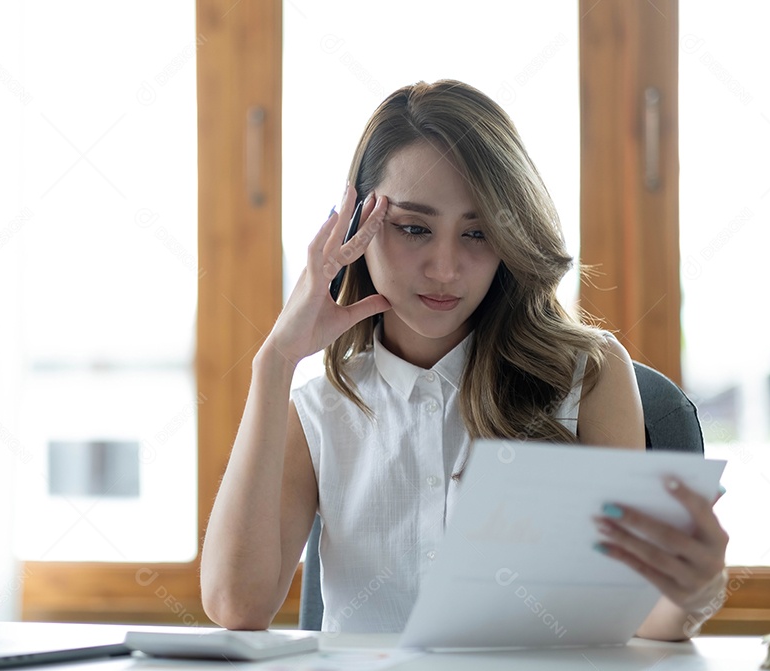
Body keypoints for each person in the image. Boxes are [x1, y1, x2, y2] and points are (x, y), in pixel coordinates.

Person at [200, 79, 728, 640]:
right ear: (356, 229)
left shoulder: (588, 377)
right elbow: (237, 605)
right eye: (414, 228)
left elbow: (637, 614)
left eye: (477, 233)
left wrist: (691, 594)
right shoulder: (319, 411)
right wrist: (276, 360)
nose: (445, 268)